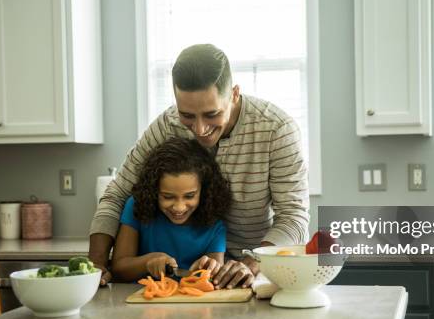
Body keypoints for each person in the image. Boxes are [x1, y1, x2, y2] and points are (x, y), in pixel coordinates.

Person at [89, 43, 309, 288]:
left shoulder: (277, 129)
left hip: (258, 271)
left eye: (211, 114)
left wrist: (251, 263)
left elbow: (293, 217)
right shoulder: (166, 126)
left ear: (234, 94)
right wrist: (96, 264)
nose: (200, 129)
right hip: (193, 278)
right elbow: (117, 194)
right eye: (187, 116)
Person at [111, 138, 232, 283]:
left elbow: (215, 275)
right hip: (143, 297)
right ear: (153, 190)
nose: (179, 207)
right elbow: (118, 269)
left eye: (190, 196)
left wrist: (208, 268)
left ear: (204, 191)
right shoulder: (135, 206)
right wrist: (148, 262)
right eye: (168, 197)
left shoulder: (214, 222)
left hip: (194, 301)